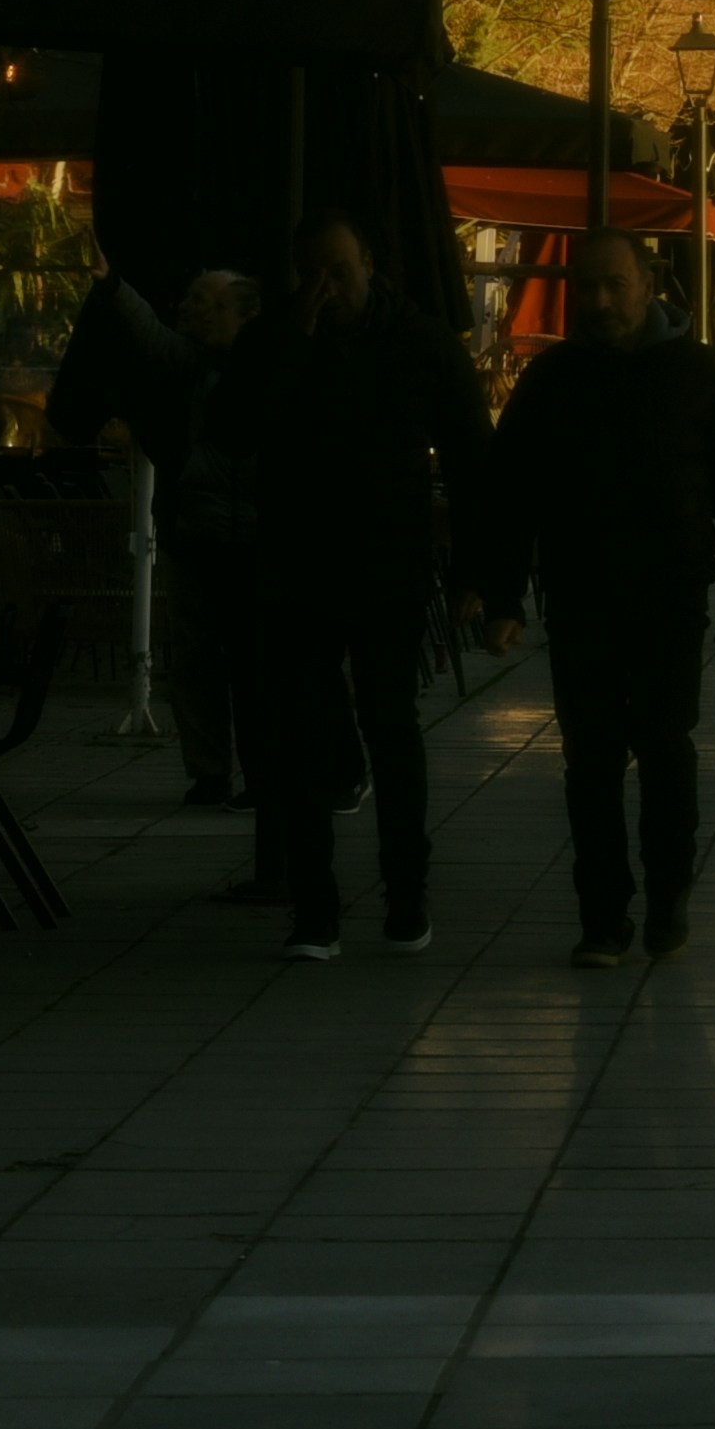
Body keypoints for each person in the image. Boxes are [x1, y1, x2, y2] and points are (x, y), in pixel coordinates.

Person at [474, 230, 715, 969]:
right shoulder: (554, 379)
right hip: (580, 597)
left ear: (649, 286)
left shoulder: (699, 374)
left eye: (616, 285)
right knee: (592, 761)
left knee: (667, 747)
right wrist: (501, 593)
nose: (601, 301)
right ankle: (602, 916)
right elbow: (510, 492)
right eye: (589, 288)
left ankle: (670, 890)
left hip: (671, 597)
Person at [204, 213, 492, 962]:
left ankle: (406, 897)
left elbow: (470, 454)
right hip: (296, 565)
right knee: (300, 736)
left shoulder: (419, 341)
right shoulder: (277, 339)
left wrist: (474, 574)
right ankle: (316, 907)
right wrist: (291, 340)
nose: (328, 288)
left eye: (341, 271)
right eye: (314, 274)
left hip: (386, 565)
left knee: (390, 729)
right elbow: (231, 428)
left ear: (372, 264)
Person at [57, 265, 255, 811]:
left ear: (241, 312)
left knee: (236, 662)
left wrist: (116, 289)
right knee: (201, 661)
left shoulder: (225, 368)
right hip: (198, 535)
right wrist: (114, 289)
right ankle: (217, 773)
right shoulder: (189, 366)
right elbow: (152, 336)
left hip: (232, 537)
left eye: (207, 302)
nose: (191, 309)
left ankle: (241, 773)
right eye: (192, 298)